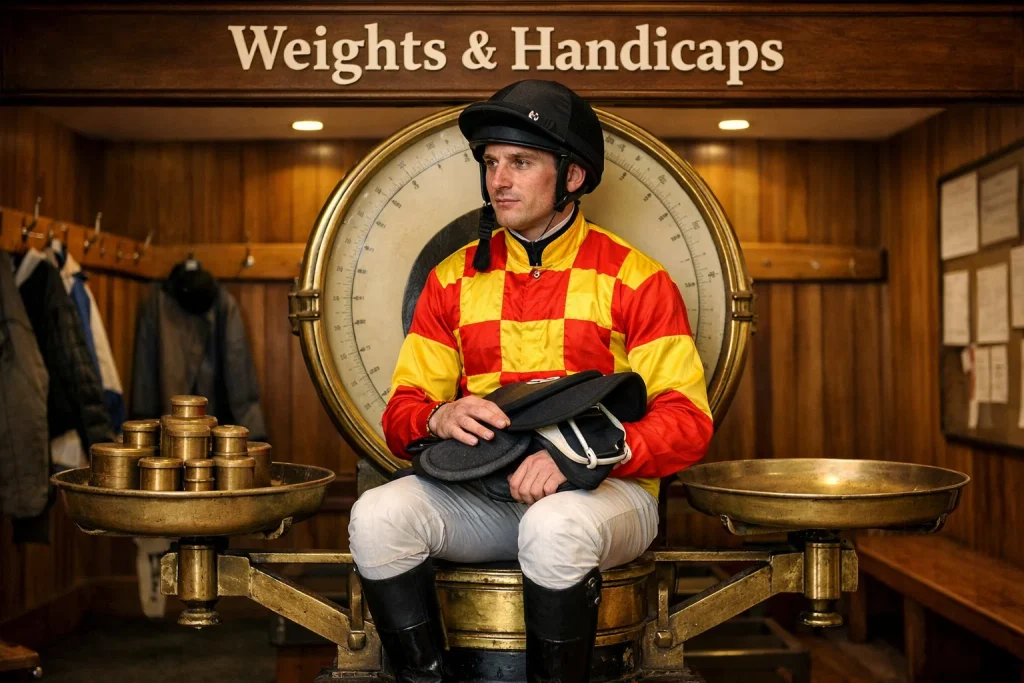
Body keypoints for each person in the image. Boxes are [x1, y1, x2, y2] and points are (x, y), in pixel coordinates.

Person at [348, 79, 713, 683]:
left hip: (609, 500)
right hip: (488, 497)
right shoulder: (450, 280)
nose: (500, 180)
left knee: (554, 523)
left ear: (572, 175)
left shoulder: (637, 279)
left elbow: (688, 425)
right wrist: (437, 417)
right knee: (375, 516)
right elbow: (401, 412)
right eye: (492, 163)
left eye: (521, 161)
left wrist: (579, 458)